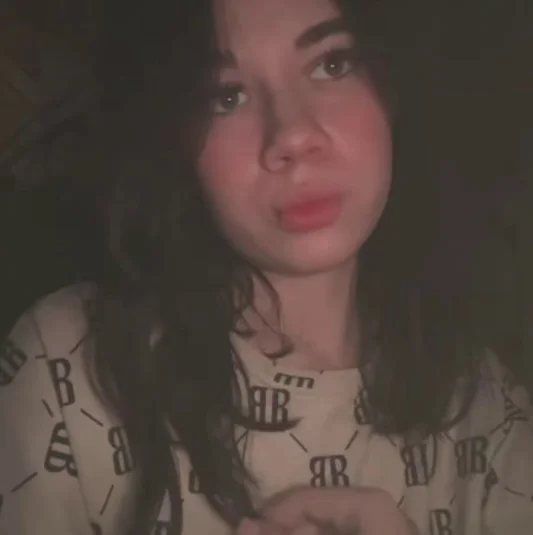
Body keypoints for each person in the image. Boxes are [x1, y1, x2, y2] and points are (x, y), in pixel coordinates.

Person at [0, 0, 532, 534]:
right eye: (227, 96)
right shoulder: (68, 366)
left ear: (392, 82)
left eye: (333, 64)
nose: (292, 136)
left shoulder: (492, 413)